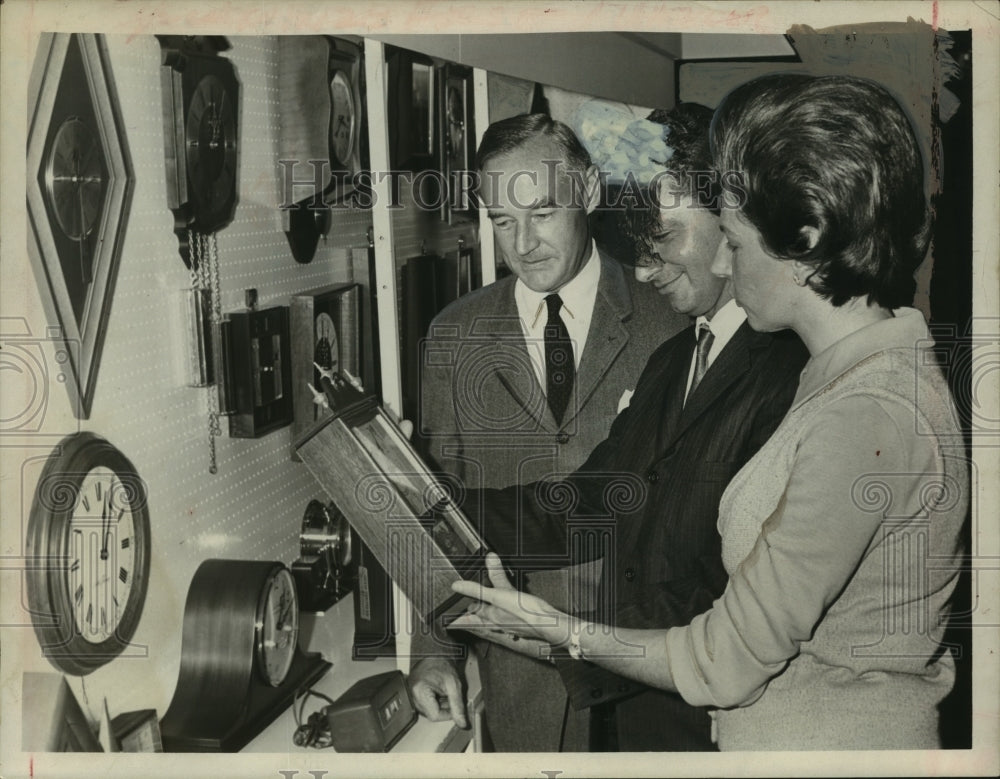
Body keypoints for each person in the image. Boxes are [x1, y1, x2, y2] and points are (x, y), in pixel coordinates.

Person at [452, 74, 969, 751]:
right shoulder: (837, 374)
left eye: (732, 230)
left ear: (804, 234)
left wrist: (563, 630)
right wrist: (436, 508)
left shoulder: (865, 410)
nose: (728, 253)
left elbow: (727, 651)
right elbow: (601, 499)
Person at [414, 103, 810, 752]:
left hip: (691, 719)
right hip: (572, 711)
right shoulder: (678, 358)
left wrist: (569, 633)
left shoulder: (761, 359)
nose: (647, 264)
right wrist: (423, 512)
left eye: (541, 213)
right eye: (501, 221)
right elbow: (587, 499)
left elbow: (733, 599)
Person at [410, 113, 686, 752]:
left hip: (648, 687)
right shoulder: (456, 334)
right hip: (521, 692)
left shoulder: (668, 316)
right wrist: (435, 651)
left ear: (587, 192)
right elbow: (438, 516)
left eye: (542, 212)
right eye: (502, 221)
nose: (523, 243)